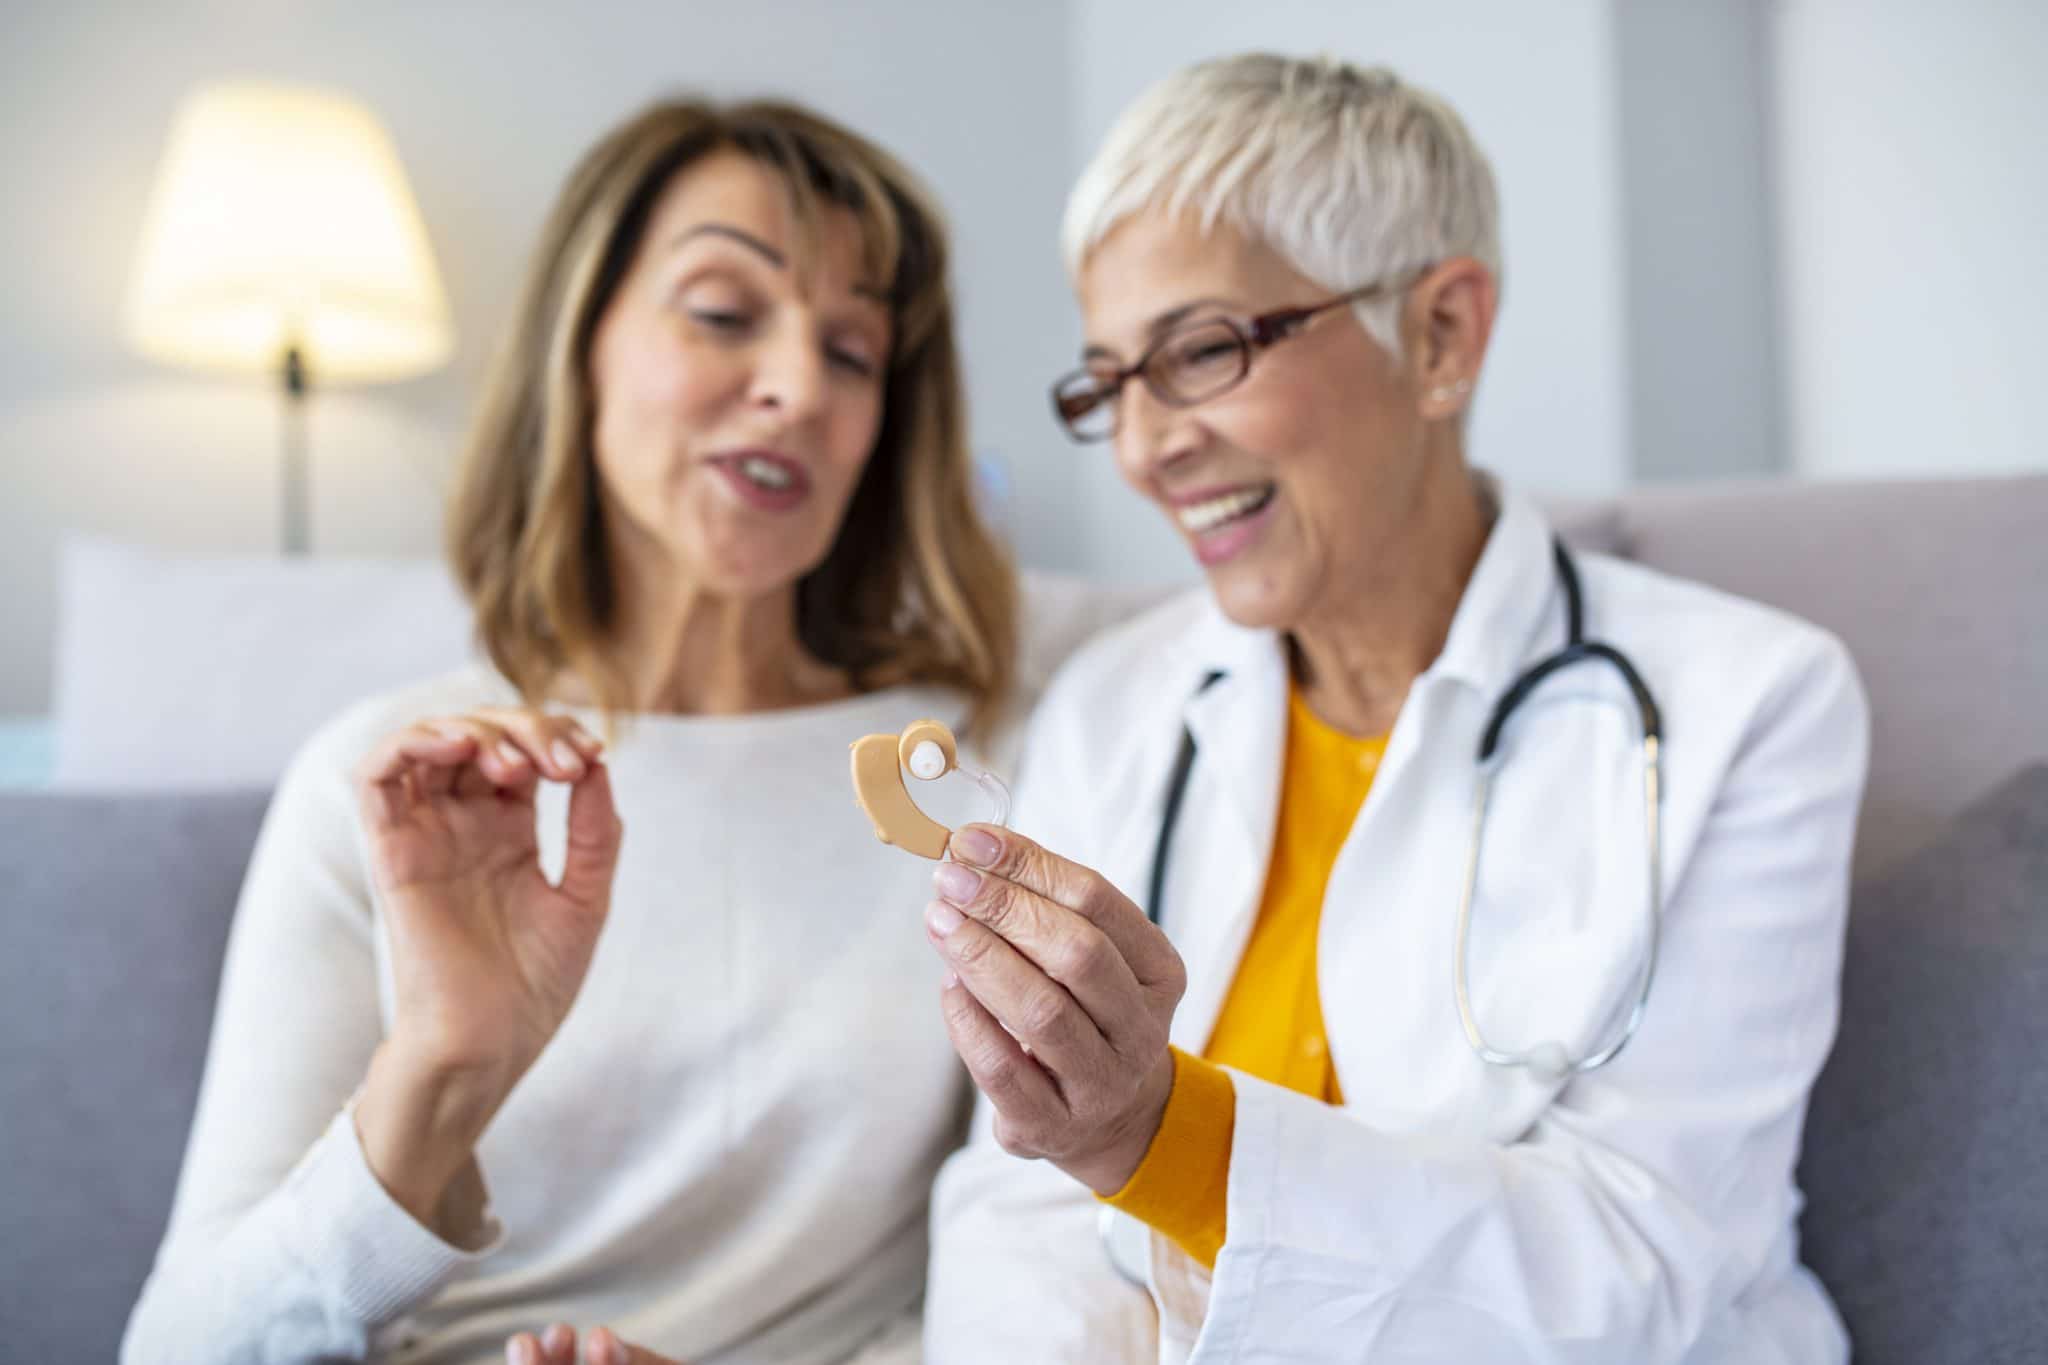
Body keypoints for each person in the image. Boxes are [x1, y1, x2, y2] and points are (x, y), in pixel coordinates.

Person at [922, 54, 1868, 1363]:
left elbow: (1650, 1257)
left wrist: (1152, 1137)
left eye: (1201, 351)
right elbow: (1016, 1205)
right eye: (1108, 385)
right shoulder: (1113, 706)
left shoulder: (1751, 706)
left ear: (1440, 336)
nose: (1145, 447)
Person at [122, 95, 1015, 1365]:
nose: (796, 388)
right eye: (722, 312)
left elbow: (1027, 1275)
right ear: (580, 344)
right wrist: (442, 1067)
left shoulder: (966, 776)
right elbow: (177, 1349)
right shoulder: (391, 784)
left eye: (854, 353)